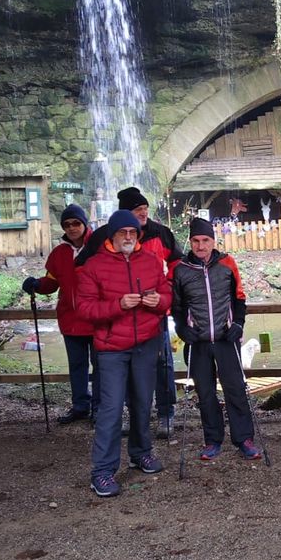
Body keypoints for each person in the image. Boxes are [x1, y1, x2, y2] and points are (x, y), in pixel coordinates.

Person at [76, 210, 172, 498]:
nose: (129, 237)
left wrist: (159, 301)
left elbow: (167, 295)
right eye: (123, 233)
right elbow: (85, 309)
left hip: (146, 343)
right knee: (111, 408)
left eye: (133, 233)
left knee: (143, 402)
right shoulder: (93, 266)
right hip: (111, 349)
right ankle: (102, 471)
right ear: (112, 236)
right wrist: (118, 305)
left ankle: (140, 453)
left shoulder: (151, 261)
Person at [77, 186, 183, 439]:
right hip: (115, 328)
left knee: (163, 364)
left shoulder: (161, 233)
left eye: (145, 209)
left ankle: (166, 413)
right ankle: (124, 416)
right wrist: (110, 297)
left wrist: (166, 289)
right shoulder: (102, 237)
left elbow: (178, 263)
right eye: (138, 210)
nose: (143, 214)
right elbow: (81, 268)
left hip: (152, 320)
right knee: (116, 375)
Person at [171, 218, 261, 461]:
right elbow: (176, 306)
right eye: (196, 241)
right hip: (198, 341)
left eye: (205, 240)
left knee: (236, 389)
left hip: (225, 338)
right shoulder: (180, 269)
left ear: (213, 241)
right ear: (190, 241)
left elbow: (239, 298)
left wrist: (238, 324)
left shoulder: (227, 264)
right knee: (206, 393)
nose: (201, 246)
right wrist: (182, 329)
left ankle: (244, 439)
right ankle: (212, 440)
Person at [22, 204, 100, 424]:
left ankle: (100, 408)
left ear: (84, 224)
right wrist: (37, 284)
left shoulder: (99, 247)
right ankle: (80, 406)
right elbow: (52, 282)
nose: (72, 228)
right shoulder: (59, 253)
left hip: (97, 318)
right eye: (67, 224)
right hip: (71, 319)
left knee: (101, 366)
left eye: (76, 223)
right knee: (77, 366)